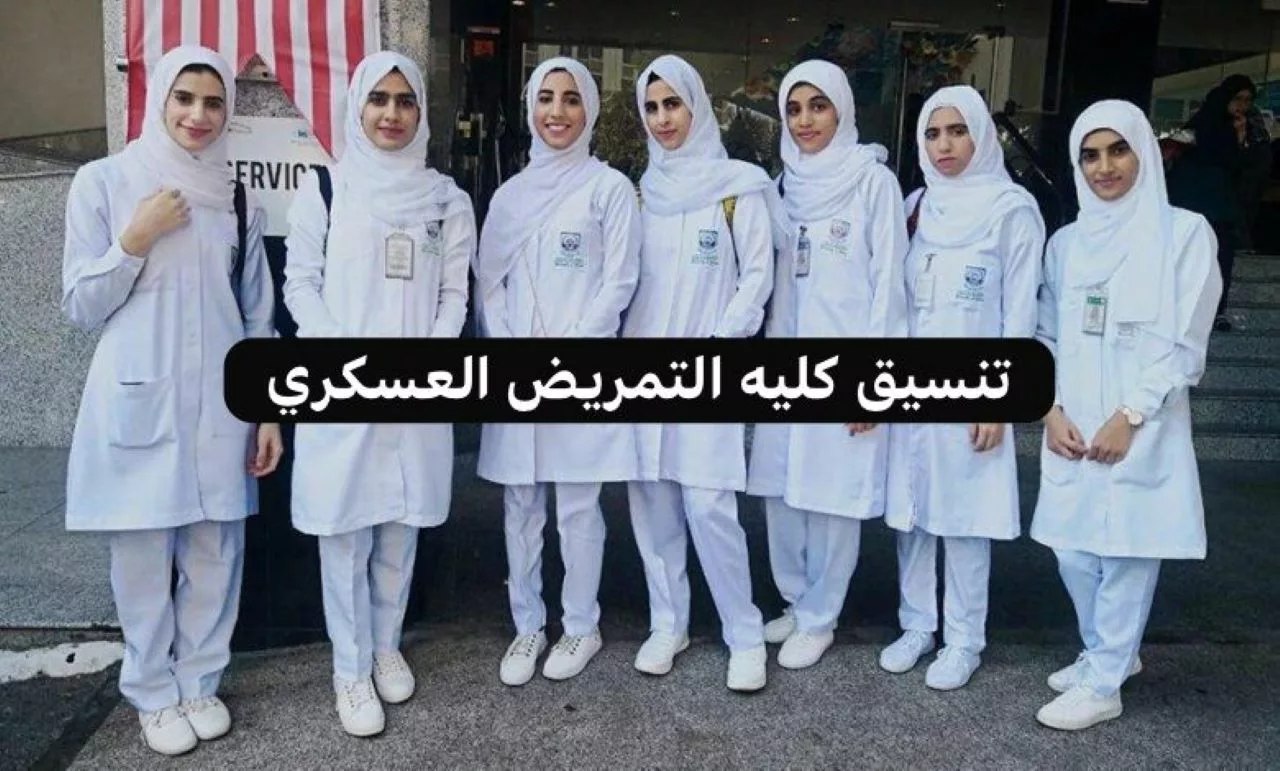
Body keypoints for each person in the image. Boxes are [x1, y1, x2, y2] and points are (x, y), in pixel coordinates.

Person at [60, 45, 282, 756]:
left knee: (217, 547)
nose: (198, 114)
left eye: (214, 102)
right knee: (143, 554)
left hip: (223, 397)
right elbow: (80, 303)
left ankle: (199, 681)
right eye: (184, 97)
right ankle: (153, 692)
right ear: (160, 99)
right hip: (140, 393)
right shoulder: (105, 182)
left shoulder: (237, 198)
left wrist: (268, 409)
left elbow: (257, 314)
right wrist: (134, 238)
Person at [282, 51, 475, 738]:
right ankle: (350, 666)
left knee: (400, 521)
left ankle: (387, 643)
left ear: (421, 111)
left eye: (405, 101)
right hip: (345, 383)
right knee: (344, 530)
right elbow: (299, 284)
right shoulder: (325, 189)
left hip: (416, 387)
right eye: (379, 99)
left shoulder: (447, 201)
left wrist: (429, 359)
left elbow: (455, 293)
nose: (392, 114)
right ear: (358, 108)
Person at [1032, 100, 1222, 731]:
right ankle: (1108, 652)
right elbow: (1047, 333)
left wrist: (1131, 414)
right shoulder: (1066, 244)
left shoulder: (1184, 234)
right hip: (1074, 421)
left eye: (1118, 150)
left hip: (1142, 421)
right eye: (1090, 155)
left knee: (1127, 553)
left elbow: (1185, 343)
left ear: (1144, 152)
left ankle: (1104, 681)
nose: (1104, 167)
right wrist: (1049, 408)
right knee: (1071, 550)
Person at [475, 56, 641, 687]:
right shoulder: (510, 196)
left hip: (580, 368)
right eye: (546, 97)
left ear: (589, 109)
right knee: (520, 501)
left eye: (571, 98)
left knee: (577, 504)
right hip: (518, 371)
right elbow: (490, 282)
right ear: (530, 108)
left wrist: (569, 352)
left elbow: (619, 282)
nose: (557, 111)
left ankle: (580, 624)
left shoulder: (609, 189)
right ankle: (527, 624)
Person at [878, 85, 1045, 689]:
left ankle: (964, 639)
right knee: (914, 511)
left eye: (957, 131)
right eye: (932, 133)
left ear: (981, 136)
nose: (944, 145)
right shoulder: (916, 205)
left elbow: (1020, 313)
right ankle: (917, 624)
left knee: (966, 518)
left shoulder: (1011, 210)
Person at [746, 59, 909, 671]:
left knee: (833, 496)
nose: (805, 121)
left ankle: (821, 616)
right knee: (781, 489)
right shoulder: (782, 185)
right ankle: (795, 600)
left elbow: (890, 284)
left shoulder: (872, 182)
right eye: (794, 109)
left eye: (818, 106)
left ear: (843, 109)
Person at [622, 53, 778, 692]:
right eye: (652, 107)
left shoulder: (739, 187)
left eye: (673, 104)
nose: (663, 119)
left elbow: (757, 277)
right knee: (652, 503)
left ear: (698, 107)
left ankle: (744, 633)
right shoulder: (641, 193)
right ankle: (669, 623)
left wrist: (720, 341)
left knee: (711, 505)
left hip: (709, 369)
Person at [1167, 76, 1262, 332]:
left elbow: (1249, 162)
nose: (1242, 106)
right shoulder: (1205, 123)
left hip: (1221, 206)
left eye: (1248, 101)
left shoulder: (1247, 127)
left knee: (1220, 257)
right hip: (1192, 201)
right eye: (1237, 99)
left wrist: (1241, 135)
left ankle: (1217, 310)